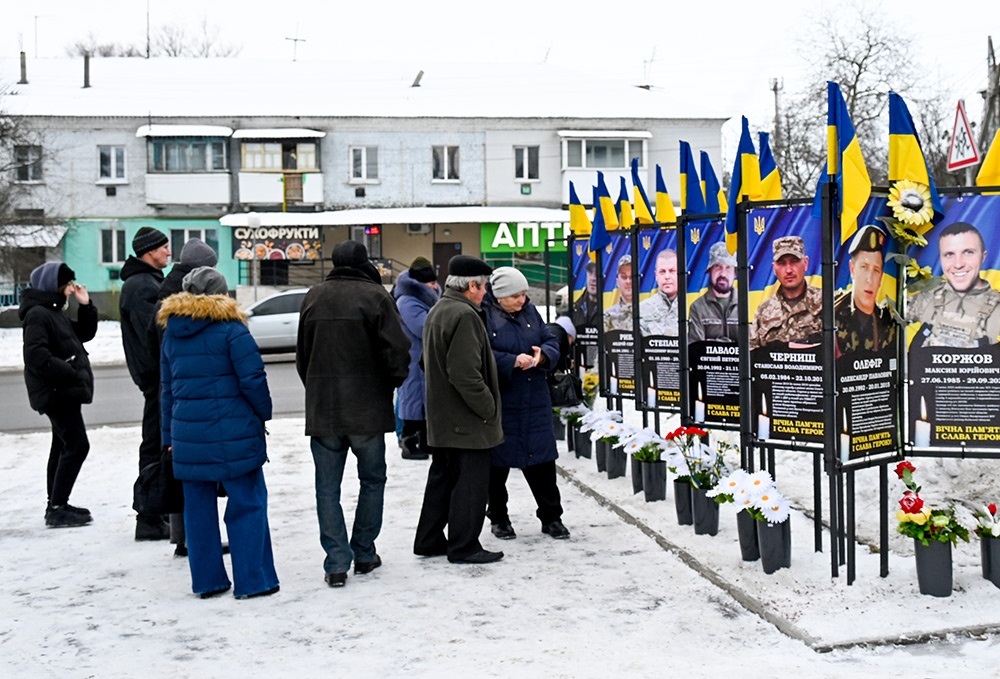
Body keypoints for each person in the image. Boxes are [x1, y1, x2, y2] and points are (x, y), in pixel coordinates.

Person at [158, 267, 278, 599]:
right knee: (248, 502)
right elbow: (253, 380)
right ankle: (254, 581)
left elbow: (166, 390)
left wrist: (168, 438)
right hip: (234, 431)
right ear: (222, 295)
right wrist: (262, 414)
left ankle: (208, 581)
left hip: (187, 437)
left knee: (197, 510)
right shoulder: (232, 330)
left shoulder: (172, 332)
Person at [297, 241, 411, 588]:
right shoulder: (376, 297)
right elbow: (398, 351)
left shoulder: (313, 296)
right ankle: (363, 552)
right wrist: (389, 385)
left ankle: (335, 562)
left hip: (324, 409)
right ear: (365, 263)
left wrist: (316, 389)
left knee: (326, 488)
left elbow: (303, 355)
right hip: (367, 409)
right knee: (372, 480)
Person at [413, 255, 505, 565]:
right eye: (484, 287)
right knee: (470, 484)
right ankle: (464, 545)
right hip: (466, 420)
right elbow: (465, 373)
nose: (486, 293)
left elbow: (427, 363)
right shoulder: (464, 315)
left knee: (443, 479)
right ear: (471, 286)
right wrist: (488, 408)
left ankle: (429, 539)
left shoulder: (440, 309)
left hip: (443, 417)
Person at [483, 267, 570, 541]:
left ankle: (551, 517)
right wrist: (511, 361)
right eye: (516, 296)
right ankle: (499, 518)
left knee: (543, 463)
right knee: (497, 467)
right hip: (503, 400)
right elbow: (481, 353)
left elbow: (550, 339)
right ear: (499, 296)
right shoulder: (483, 315)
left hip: (534, 399)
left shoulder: (531, 312)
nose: (522, 300)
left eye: (523, 294)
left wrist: (544, 355)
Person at [146, 237, 219, 556]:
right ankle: (190, 541)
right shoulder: (182, 299)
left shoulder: (167, 293)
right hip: (187, 394)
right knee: (191, 473)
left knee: (182, 468)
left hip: (175, 392)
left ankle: (183, 538)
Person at [20, 261, 98, 528]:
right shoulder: (39, 314)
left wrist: (85, 305)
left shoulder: (53, 312)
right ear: (53, 286)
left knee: (63, 445)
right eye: (66, 285)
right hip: (56, 392)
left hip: (62, 391)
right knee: (77, 445)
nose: (69, 290)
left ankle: (56, 504)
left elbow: (84, 334)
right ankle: (57, 507)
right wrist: (70, 371)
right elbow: (36, 355)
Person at [119, 226, 172, 541]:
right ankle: (149, 517)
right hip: (156, 378)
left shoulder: (147, 281)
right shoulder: (141, 285)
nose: (168, 252)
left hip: (156, 376)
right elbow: (154, 333)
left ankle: (157, 513)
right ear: (149, 251)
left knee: (157, 443)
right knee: (154, 445)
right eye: (164, 247)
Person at [907, 222, 1000, 348]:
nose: (958, 264)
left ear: (983, 257)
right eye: (949, 255)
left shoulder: (997, 307)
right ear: (941, 259)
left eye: (968, 252)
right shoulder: (923, 300)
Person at [393, 256, 440, 461]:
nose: (435, 286)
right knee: (413, 402)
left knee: (425, 403)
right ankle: (409, 443)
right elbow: (423, 328)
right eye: (431, 283)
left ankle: (425, 441)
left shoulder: (423, 298)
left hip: (424, 359)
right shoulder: (408, 301)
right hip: (413, 360)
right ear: (420, 284)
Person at [749, 236, 822, 350]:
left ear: (806, 263)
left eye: (794, 262)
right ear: (774, 268)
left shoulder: (826, 303)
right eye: (782, 263)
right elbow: (753, 355)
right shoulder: (764, 311)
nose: (788, 270)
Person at [835, 224, 897, 355]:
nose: (870, 279)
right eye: (864, 267)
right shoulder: (831, 312)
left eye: (876, 270)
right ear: (852, 269)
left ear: (881, 278)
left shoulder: (887, 321)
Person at [688, 242, 739, 344]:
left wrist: (711, 342)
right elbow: (696, 349)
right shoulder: (697, 307)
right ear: (710, 271)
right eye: (718, 267)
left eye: (728, 267)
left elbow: (751, 346)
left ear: (735, 273)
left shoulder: (746, 305)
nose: (723, 273)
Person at [639, 248, 679, 336]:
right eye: (662, 272)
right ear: (656, 276)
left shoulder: (692, 308)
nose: (667, 276)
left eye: (672, 271)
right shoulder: (641, 310)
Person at [571, 260, 600, 367]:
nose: (593, 278)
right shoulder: (574, 307)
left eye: (597, 273)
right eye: (590, 272)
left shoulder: (610, 308)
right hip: (580, 364)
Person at [604, 255, 635, 332]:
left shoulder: (648, 313)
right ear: (617, 282)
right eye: (624, 277)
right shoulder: (608, 316)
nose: (628, 281)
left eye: (632, 277)